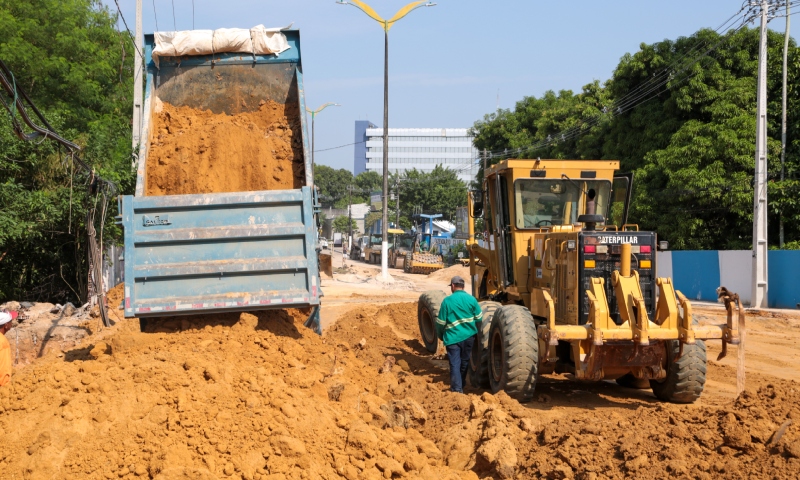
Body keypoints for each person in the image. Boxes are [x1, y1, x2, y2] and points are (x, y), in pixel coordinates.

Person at [435, 276, 483, 393]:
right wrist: (472, 330)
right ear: (463, 286)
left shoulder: (447, 301)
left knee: (455, 364)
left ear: (452, 286)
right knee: (465, 361)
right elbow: (479, 318)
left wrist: (441, 335)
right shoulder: (472, 299)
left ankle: (457, 389)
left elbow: (440, 323)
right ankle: (461, 384)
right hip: (469, 337)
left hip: (453, 338)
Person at [0, 310, 12, 387]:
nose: (12, 324)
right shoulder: (3, 341)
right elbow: (4, 366)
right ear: (6, 325)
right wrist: (5, 386)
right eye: (10, 322)